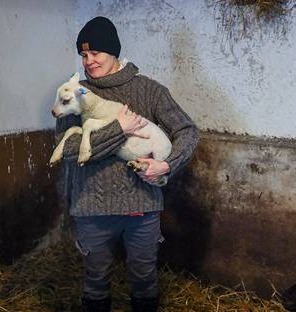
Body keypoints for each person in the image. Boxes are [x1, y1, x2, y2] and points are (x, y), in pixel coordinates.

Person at [55, 16, 199, 312]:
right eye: (83, 55)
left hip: (141, 205)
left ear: (114, 52)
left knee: (144, 278)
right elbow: (70, 149)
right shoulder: (75, 93)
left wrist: (168, 165)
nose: (89, 61)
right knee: (95, 281)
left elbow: (188, 130)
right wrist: (119, 129)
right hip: (92, 206)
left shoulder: (148, 90)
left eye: (96, 53)